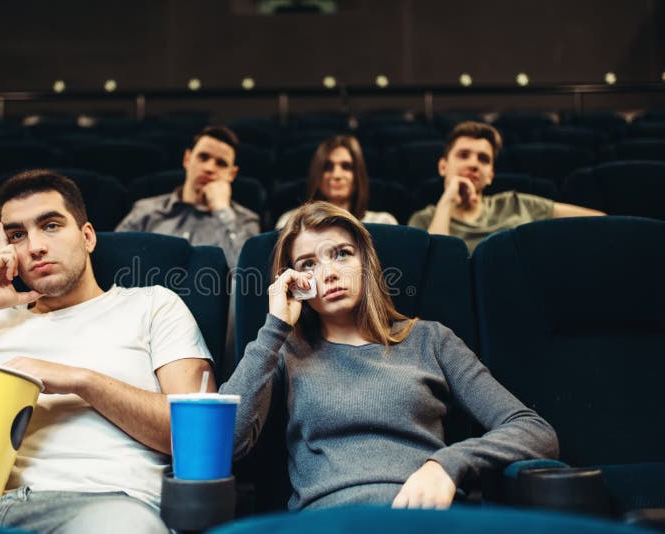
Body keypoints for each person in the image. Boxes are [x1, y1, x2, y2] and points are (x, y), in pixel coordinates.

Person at [0, 169, 215, 533]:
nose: (34, 246)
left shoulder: (152, 305)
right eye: (17, 235)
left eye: (50, 226)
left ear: (87, 237)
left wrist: (81, 381)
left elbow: (202, 435)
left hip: (101, 504)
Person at [220, 201, 558, 510]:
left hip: (423, 518)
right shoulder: (285, 352)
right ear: (295, 281)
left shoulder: (430, 340)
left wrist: (446, 465)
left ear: (366, 263)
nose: (329, 272)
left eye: (342, 254)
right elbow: (224, 444)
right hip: (329, 521)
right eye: (309, 263)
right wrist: (275, 328)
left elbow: (533, 431)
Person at [408, 121, 604, 253]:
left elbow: (599, 223)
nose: (474, 164)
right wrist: (448, 200)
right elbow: (433, 272)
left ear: (491, 175)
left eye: (483, 159)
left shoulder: (517, 203)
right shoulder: (424, 219)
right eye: (463, 155)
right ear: (443, 166)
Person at [115, 125, 260, 268]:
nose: (209, 168)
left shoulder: (245, 221)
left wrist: (222, 210)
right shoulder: (146, 211)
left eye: (221, 163)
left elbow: (248, 275)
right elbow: (113, 260)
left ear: (232, 174)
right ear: (187, 159)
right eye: (203, 157)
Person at [275, 135, 398, 229]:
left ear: (358, 175)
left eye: (346, 167)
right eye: (328, 167)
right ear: (317, 175)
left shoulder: (383, 222)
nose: (336, 175)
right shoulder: (292, 222)